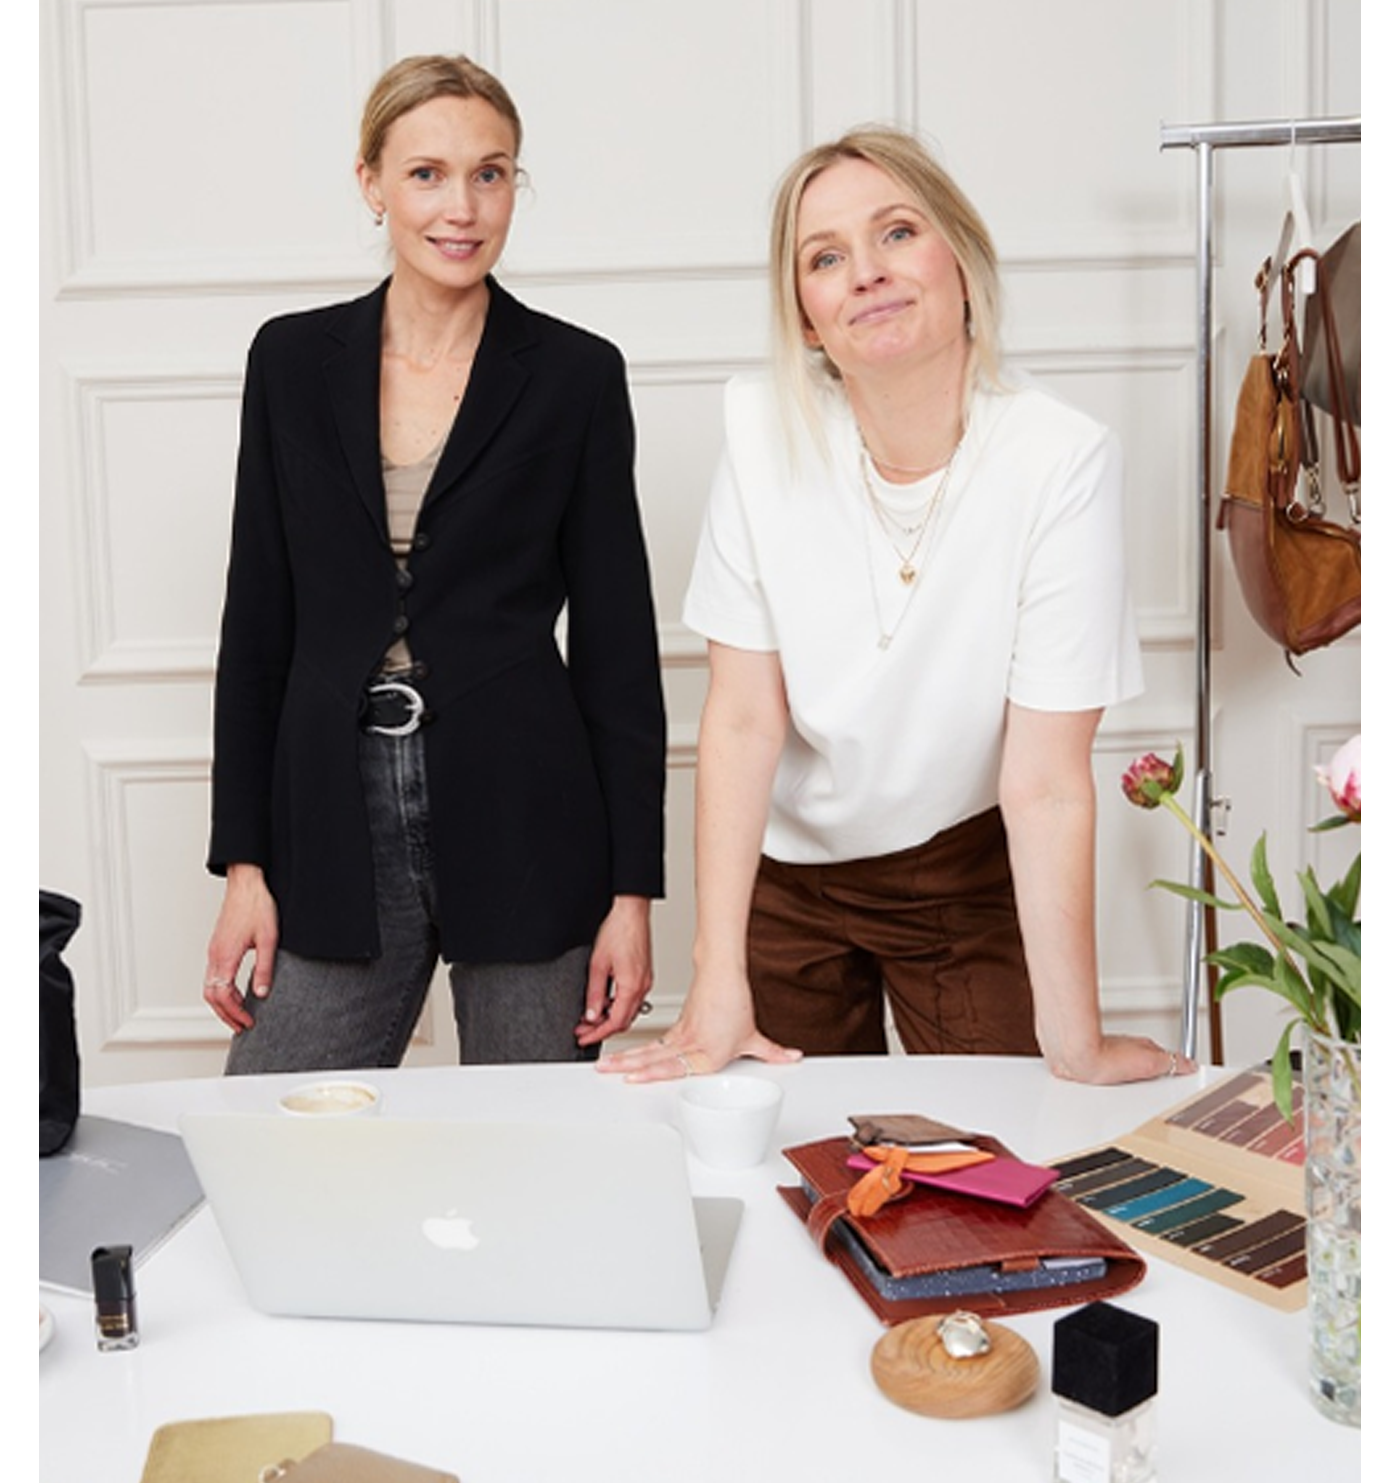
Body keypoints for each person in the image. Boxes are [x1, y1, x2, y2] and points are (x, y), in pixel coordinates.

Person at [601, 126, 1191, 1088]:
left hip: (958, 869)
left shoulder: (1059, 461)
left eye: (898, 233)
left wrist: (1077, 1042)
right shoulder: (761, 431)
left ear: (963, 260)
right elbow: (744, 720)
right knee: (777, 1146)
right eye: (825, 258)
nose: (866, 272)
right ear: (806, 317)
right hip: (786, 883)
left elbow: (1045, 782)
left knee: (1003, 1147)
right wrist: (716, 975)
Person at [204, 54, 665, 1070]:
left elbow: (618, 650)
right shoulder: (290, 361)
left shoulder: (576, 374)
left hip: (526, 805)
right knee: (277, 1120)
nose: (462, 207)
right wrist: (244, 865)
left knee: (534, 1136)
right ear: (371, 182)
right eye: (426, 174)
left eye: (489, 174)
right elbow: (258, 624)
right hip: (332, 806)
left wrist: (631, 896)